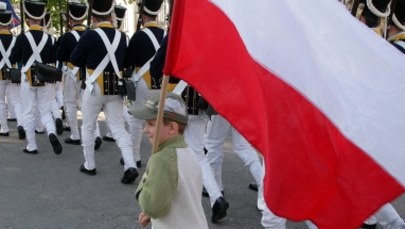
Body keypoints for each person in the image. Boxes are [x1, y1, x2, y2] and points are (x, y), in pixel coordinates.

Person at [150, 34, 230, 223]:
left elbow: (155, 69)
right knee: (197, 154)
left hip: (176, 101)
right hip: (200, 100)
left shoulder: (176, 33)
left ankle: (168, 197)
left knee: (168, 149)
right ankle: (215, 197)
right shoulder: (210, 35)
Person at [70, 0, 138, 184]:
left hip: (94, 88)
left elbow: (75, 60)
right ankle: (130, 165)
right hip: (115, 87)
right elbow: (128, 61)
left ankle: (89, 165)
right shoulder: (123, 37)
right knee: (118, 129)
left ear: (93, 17)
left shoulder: (89, 35)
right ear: (111, 15)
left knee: (89, 126)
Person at [130, 92, 208, 229]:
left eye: (151, 124)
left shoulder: (162, 159)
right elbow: (176, 195)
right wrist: (151, 213)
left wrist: (146, 179)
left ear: (172, 128)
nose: (145, 130)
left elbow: (152, 206)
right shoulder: (187, 151)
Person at [10, 0, 62, 155]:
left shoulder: (22, 38)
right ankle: (51, 133)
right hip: (45, 76)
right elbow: (54, 58)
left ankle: (31, 145)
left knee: (27, 111)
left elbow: (13, 58)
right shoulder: (50, 38)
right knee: (45, 111)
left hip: (27, 77)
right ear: (41, 18)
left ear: (27, 20)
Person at [122, 0, 165, 169]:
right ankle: (158, 159)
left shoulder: (139, 36)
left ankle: (135, 157)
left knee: (136, 121)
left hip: (142, 83)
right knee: (159, 121)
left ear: (143, 15)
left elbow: (128, 61)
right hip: (162, 84)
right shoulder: (164, 34)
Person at [0, 2, 20, 137]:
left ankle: (4, 129)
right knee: (17, 102)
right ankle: (22, 126)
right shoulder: (16, 39)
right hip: (12, 73)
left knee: (0, 102)